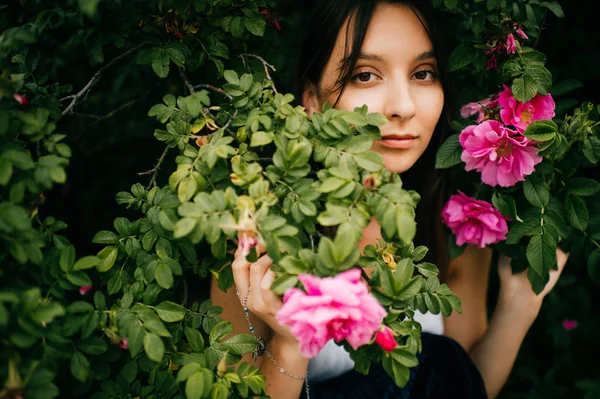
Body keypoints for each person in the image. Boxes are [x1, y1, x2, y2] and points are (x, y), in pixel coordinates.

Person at [211, 1, 569, 398]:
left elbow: (462, 384)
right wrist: (291, 343)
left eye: (423, 73)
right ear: (311, 101)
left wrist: (519, 305)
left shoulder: (458, 219)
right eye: (366, 75)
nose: (403, 106)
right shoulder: (258, 235)